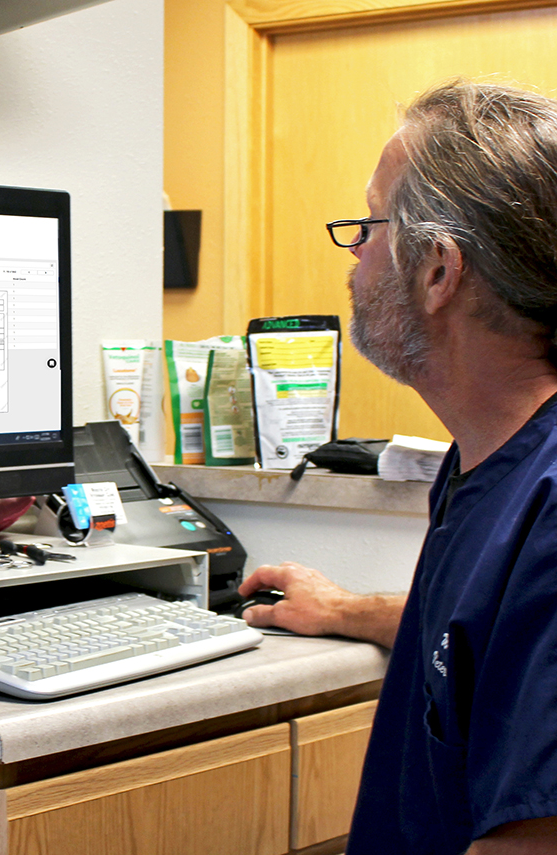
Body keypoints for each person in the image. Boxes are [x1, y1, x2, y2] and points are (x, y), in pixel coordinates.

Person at [239, 80, 557, 854]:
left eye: (369, 225)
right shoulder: (489, 459)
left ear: (439, 270)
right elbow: (487, 643)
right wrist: (350, 610)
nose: (353, 255)